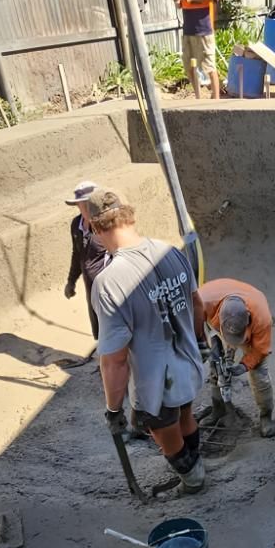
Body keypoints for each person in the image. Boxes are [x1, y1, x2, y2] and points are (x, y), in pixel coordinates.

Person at [88, 189, 206, 493]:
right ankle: (198, 465)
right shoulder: (171, 252)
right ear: (130, 217)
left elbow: (114, 359)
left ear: (95, 228)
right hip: (187, 363)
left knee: (164, 433)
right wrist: (200, 344)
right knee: (185, 416)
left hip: (155, 382)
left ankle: (193, 481)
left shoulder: (109, 281)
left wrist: (113, 409)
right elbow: (196, 305)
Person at [199, 278, 275, 438]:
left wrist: (243, 366)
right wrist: (211, 348)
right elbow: (196, 326)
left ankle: (266, 417)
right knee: (216, 367)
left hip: (252, 331)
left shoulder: (261, 318)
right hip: (213, 321)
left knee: (259, 373)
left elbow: (260, 350)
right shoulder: (203, 300)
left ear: (248, 319)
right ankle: (218, 409)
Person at [173, 0, 220, 100]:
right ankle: (198, 97)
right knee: (189, 66)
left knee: (209, 66)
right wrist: (179, 2)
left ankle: (216, 100)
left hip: (204, 27)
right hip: (188, 28)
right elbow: (182, 1)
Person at [64, 181, 108, 340]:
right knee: (99, 328)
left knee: (114, 329)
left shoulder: (106, 225)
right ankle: (103, 362)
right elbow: (77, 254)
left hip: (109, 289)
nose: (82, 208)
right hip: (91, 289)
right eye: (80, 204)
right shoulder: (77, 225)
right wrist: (71, 281)